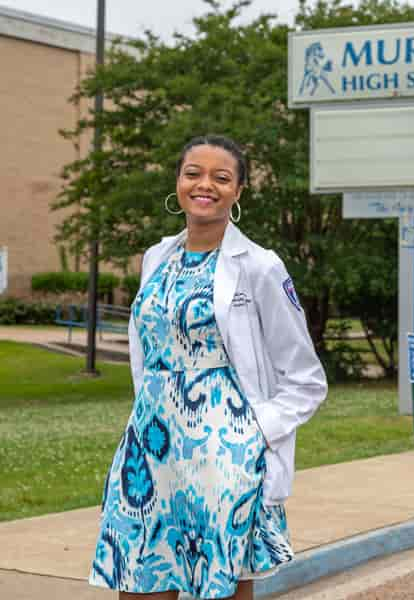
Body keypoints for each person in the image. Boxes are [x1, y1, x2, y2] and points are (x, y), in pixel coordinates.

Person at [89, 134, 328, 600]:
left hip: (224, 456)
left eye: (221, 178)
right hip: (150, 449)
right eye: (193, 173)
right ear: (178, 181)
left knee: (217, 589)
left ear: (238, 191)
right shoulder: (156, 258)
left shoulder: (260, 266)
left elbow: (306, 379)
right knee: (136, 581)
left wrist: (254, 432)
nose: (205, 185)